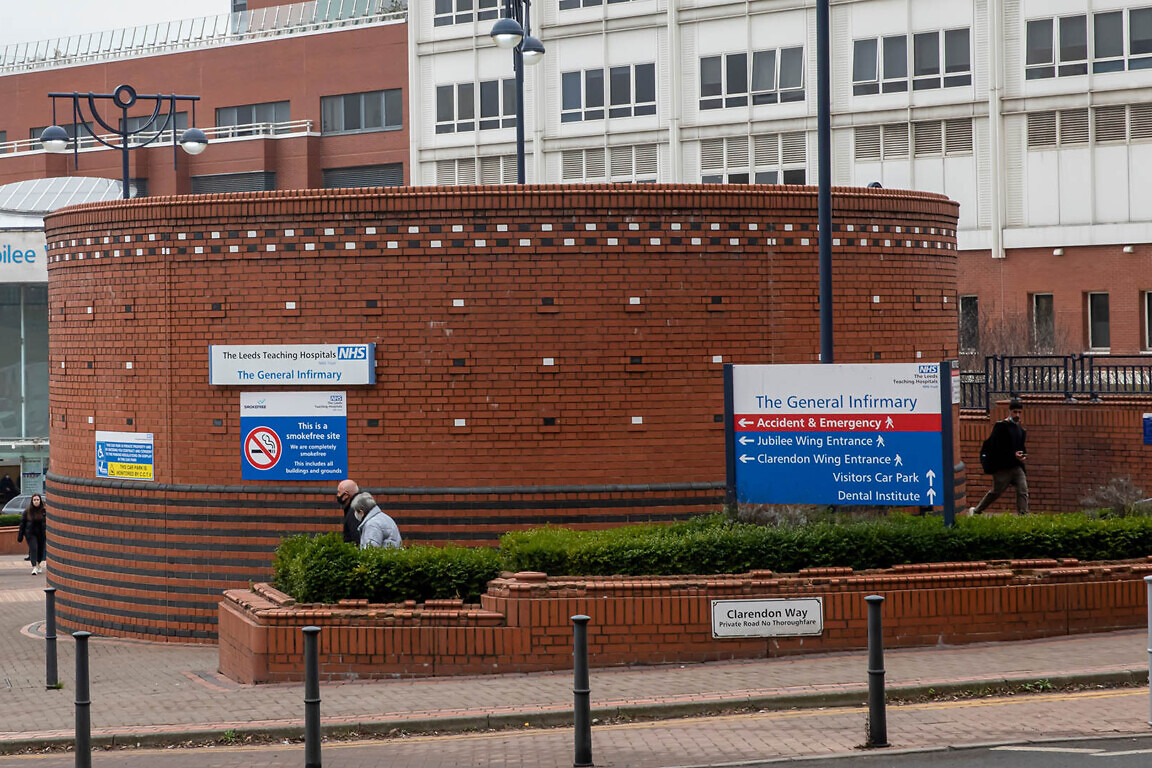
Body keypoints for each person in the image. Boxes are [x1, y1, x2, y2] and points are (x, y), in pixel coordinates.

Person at [969, 399, 1028, 516]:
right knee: (996, 492)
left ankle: (1023, 515)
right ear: (1010, 411)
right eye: (1015, 412)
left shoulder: (1020, 430)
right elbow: (996, 447)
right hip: (1002, 468)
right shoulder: (1001, 427)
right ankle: (976, 511)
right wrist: (1012, 454)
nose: (1017, 415)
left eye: (1019, 412)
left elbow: (1021, 447)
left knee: (1023, 490)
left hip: (1016, 466)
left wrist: (1022, 456)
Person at [17, 494, 47, 574]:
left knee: (40, 550)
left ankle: (38, 564)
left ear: (40, 501)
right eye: (34, 500)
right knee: (34, 548)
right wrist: (20, 536)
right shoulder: (27, 511)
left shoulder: (44, 511)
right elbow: (22, 524)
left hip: (41, 534)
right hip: (31, 534)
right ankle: (34, 567)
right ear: (32, 501)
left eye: (37, 500)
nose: (36, 501)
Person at [335, 479, 364, 544]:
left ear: (346, 495)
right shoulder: (360, 505)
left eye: (339, 492)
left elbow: (355, 537)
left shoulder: (353, 512)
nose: (337, 495)